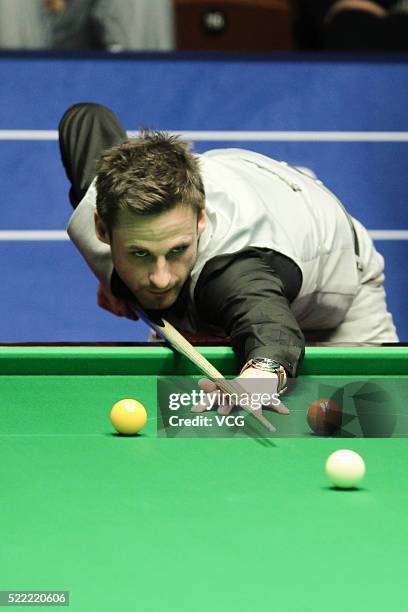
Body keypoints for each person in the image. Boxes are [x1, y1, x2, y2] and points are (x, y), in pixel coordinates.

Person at [59, 103, 398, 417]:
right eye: (139, 253)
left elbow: (271, 328)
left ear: (200, 221)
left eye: (177, 250)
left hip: (330, 272)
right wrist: (114, 279)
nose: (160, 279)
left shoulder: (235, 271)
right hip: (253, 207)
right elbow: (86, 118)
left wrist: (260, 377)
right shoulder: (102, 197)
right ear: (103, 229)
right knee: (196, 421)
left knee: (376, 417)